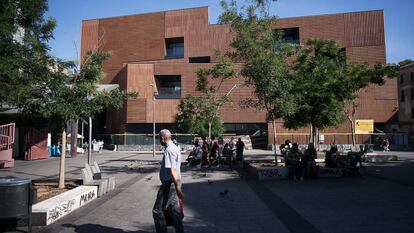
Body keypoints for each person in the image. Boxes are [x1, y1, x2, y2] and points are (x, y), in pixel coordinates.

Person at [152, 129, 184, 233]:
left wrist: (178, 187)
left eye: (158, 138)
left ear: (162, 138)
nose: (158, 140)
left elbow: (173, 170)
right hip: (173, 184)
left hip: (168, 185)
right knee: (175, 212)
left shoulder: (169, 150)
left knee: (157, 211)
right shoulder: (174, 147)